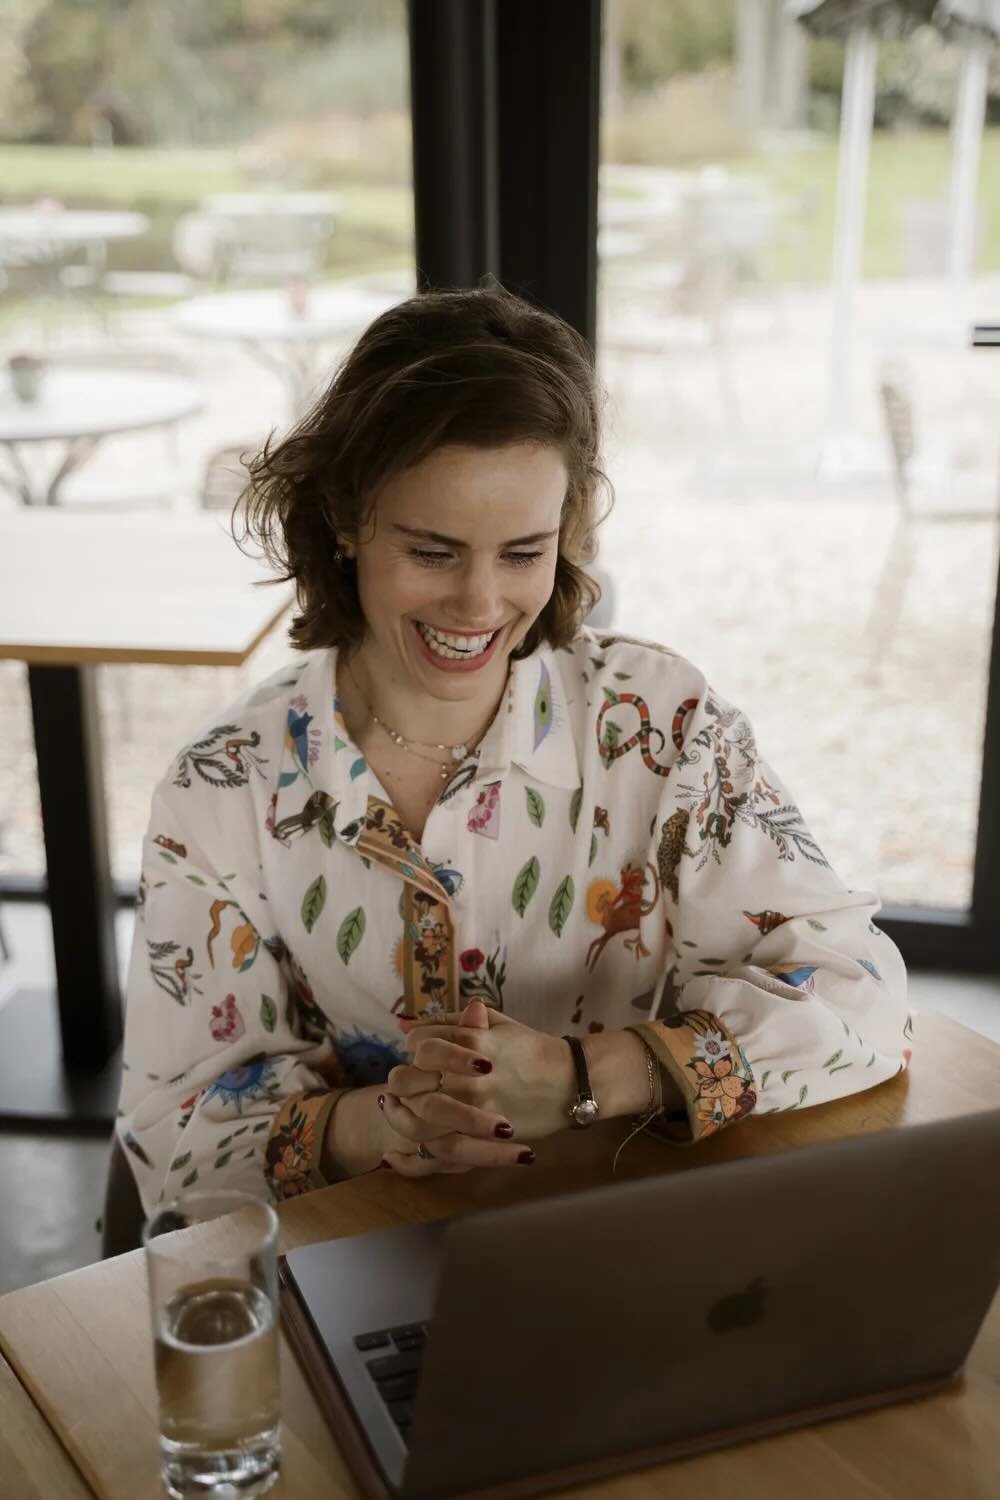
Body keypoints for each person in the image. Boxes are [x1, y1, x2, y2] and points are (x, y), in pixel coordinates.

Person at [116, 282, 910, 1212]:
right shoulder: (221, 790)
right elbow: (172, 1137)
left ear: (567, 532)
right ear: (343, 519)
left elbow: (864, 1002)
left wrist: (590, 1076)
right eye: (432, 551)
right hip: (354, 1245)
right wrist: (385, 1125)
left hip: (634, 1227)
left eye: (523, 553)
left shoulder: (663, 729)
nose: (480, 605)